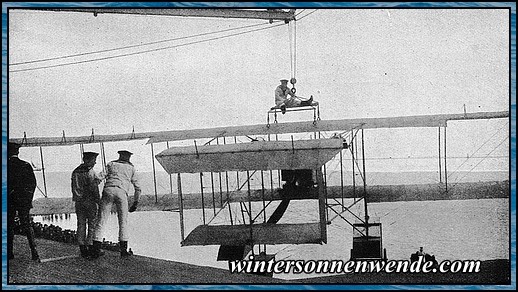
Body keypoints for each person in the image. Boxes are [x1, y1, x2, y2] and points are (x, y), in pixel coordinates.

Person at [90, 150, 141, 258]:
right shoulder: (131, 168)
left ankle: (95, 249)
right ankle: (123, 251)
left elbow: (98, 178)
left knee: (101, 220)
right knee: (123, 222)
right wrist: (135, 202)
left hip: (108, 190)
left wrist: (95, 192)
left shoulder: (111, 164)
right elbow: (138, 188)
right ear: (128, 157)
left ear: (119, 155)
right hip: (122, 192)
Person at [7, 142, 40, 261]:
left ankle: (9, 253)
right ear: (18, 152)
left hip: (9, 201)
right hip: (23, 201)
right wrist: (28, 199)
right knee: (27, 225)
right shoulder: (25, 165)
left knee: (9, 225)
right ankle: (34, 252)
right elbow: (32, 184)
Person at [71, 151, 104, 258]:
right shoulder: (90, 172)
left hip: (78, 202)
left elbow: (73, 187)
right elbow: (94, 188)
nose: (95, 162)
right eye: (94, 160)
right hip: (89, 201)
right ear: (89, 160)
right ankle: (90, 247)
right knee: (92, 224)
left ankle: (82, 248)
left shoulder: (75, 172)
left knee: (81, 224)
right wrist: (98, 201)